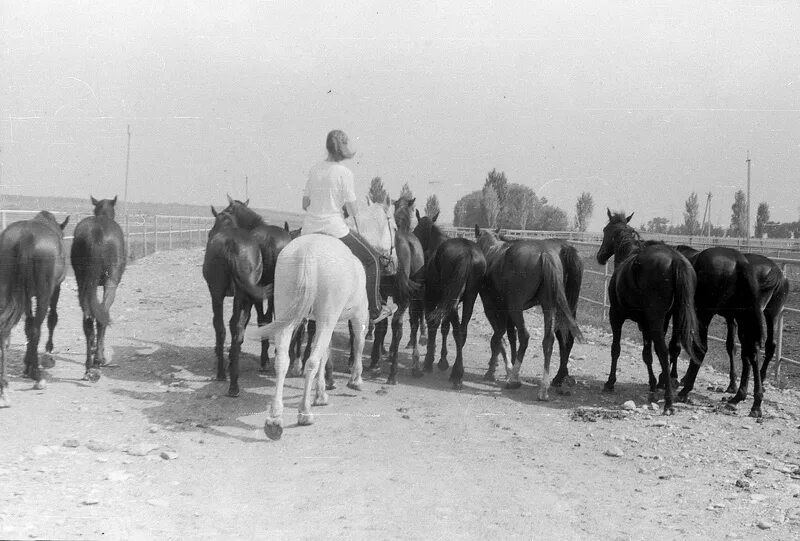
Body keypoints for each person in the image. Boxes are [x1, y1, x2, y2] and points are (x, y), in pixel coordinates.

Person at [301, 129, 397, 324]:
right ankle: (375, 309)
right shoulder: (344, 173)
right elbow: (353, 210)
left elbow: (305, 204)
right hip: (335, 229)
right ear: (343, 150)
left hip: (309, 229)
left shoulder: (314, 169)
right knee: (372, 260)